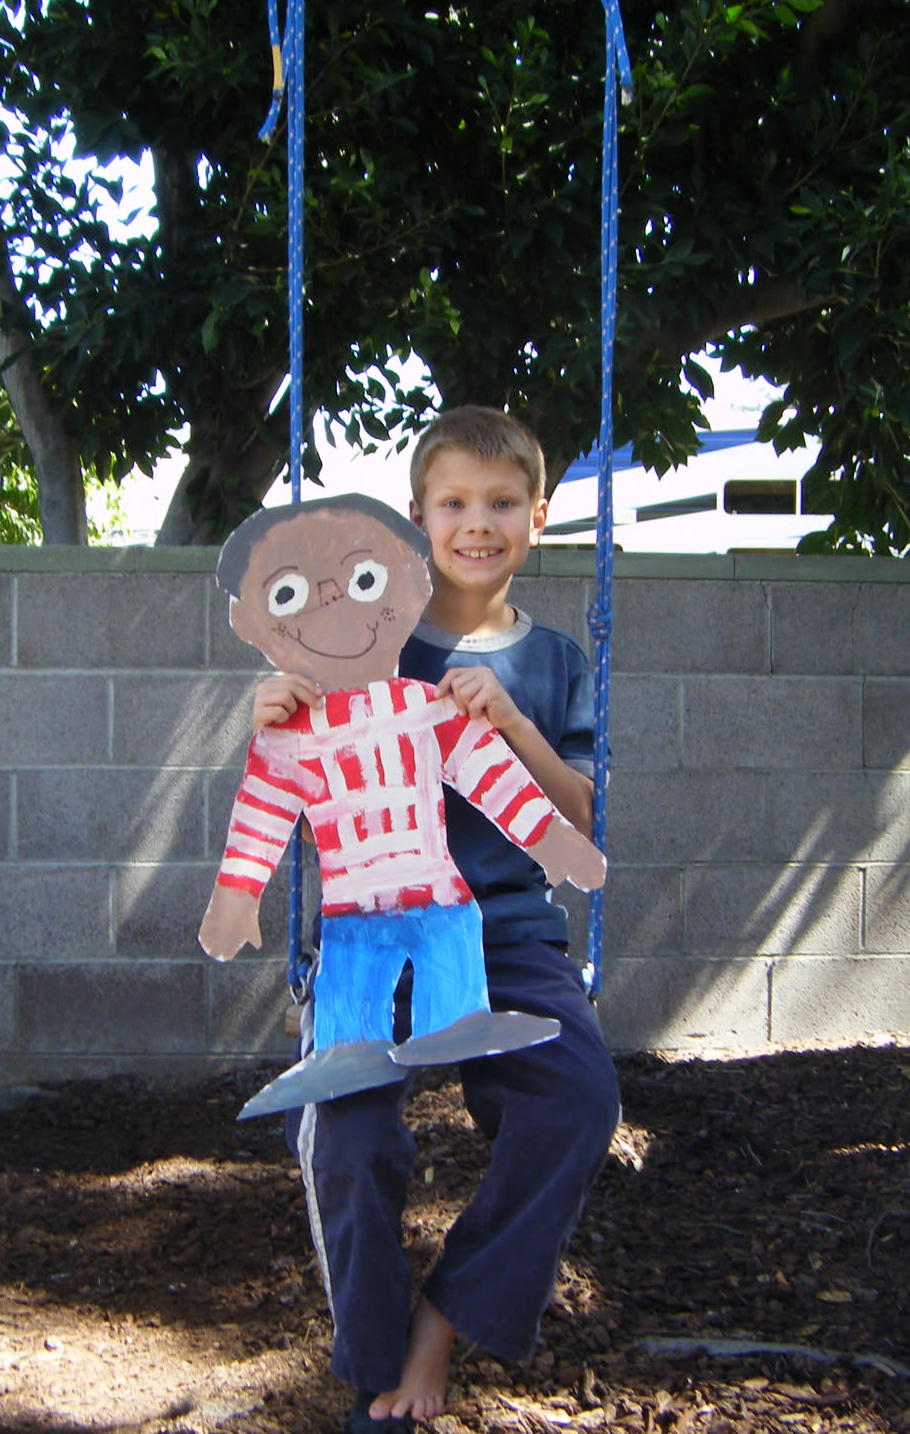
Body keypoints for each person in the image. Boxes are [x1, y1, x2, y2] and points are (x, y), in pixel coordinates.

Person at [250, 407, 622, 1433]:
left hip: (508, 935)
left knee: (578, 1099)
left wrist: (511, 724)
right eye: (455, 502)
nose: (478, 523)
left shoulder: (557, 662)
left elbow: (580, 817)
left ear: (537, 518)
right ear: (419, 520)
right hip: (376, 932)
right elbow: (302, 781)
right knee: (347, 1133)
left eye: (502, 502)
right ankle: (376, 1371)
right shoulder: (368, 641)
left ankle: (443, 1323)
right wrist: (274, 721)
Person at [200, 494, 603, 1117]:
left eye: (363, 581)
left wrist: (551, 838)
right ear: (252, 625)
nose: (334, 603)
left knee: (451, 969)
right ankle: (347, 1047)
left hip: (439, 894)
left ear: (409, 587)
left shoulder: (426, 706)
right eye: (289, 595)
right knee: (352, 1003)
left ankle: (456, 1022)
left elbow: (490, 774)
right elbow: (263, 813)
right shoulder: (291, 736)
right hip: (352, 910)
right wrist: (236, 895)